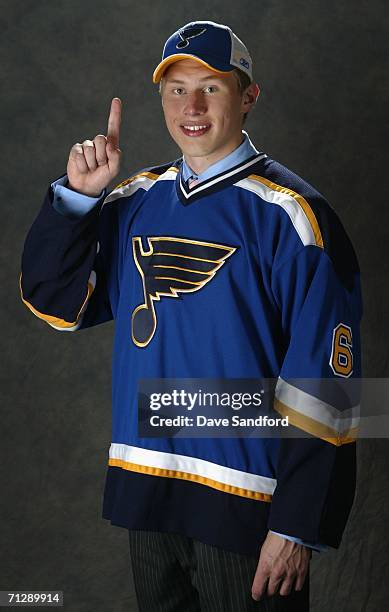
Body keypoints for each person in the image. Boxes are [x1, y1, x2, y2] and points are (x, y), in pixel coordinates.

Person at [20, 20, 362, 611]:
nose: (192, 106)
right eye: (176, 89)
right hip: (147, 494)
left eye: (211, 86)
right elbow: (53, 300)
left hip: (249, 508)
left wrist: (296, 525)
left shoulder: (295, 217)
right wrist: (76, 201)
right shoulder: (132, 201)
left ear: (249, 96)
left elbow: (329, 386)